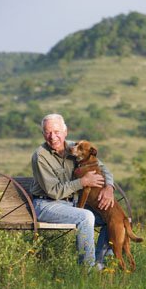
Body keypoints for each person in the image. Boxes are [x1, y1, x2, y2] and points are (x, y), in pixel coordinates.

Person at [30, 113, 114, 270]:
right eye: (48, 132)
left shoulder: (76, 148)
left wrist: (109, 187)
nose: (52, 137)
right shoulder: (40, 156)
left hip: (72, 204)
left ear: (65, 131)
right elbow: (53, 191)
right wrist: (82, 182)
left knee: (111, 218)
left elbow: (102, 168)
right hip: (46, 204)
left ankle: (101, 264)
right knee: (86, 217)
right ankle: (87, 270)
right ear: (43, 134)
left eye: (56, 132)